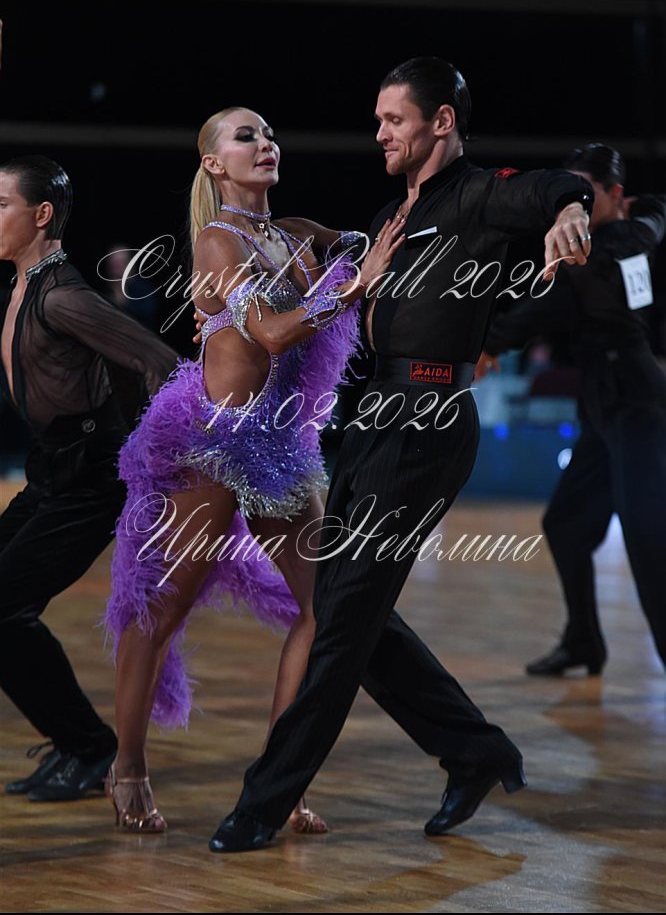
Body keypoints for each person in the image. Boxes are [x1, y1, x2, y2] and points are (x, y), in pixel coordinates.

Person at [206, 57, 594, 853]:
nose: (380, 132)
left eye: (394, 119)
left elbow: (551, 186)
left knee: (343, 620)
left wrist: (569, 210)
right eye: (379, 120)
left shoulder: (479, 195)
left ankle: (263, 800)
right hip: (376, 417)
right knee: (347, 609)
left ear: (440, 121)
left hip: (429, 420)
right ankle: (476, 751)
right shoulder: (391, 213)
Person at [103, 106, 396, 833]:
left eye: (268, 133)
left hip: (282, 449)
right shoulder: (216, 241)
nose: (265, 143)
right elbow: (268, 334)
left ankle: (279, 779)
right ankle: (127, 764)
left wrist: (353, 248)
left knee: (324, 610)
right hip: (212, 441)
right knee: (163, 607)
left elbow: (356, 241)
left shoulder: (291, 234)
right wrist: (354, 282)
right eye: (246, 136)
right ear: (213, 163)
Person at [0, 155, 178, 802]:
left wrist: (145, 456)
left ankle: (91, 747)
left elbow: (160, 360)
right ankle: (76, 743)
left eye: (1, 204)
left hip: (88, 480)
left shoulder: (63, 296)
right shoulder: (24, 286)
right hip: (51, 471)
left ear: (41, 214)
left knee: (4, 611)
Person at [477, 143, 666, 675]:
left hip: (636, 405)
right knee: (566, 524)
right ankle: (583, 640)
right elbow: (655, 212)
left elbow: (545, 307)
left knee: (647, 536)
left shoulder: (598, 255)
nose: (576, 203)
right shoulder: (634, 228)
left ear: (614, 194)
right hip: (603, 407)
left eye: (587, 193)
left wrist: (488, 344)